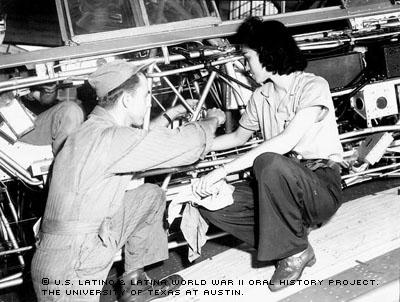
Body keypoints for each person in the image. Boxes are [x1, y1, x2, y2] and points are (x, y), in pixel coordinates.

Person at [30, 60, 225, 302]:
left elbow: (136, 142)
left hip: (73, 246)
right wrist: (212, 121)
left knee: (150, 196)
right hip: (70, 266)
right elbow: (189, 146)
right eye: (145, 96)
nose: (148, 102)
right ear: (125, 100)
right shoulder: (110, 139)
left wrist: (171, 114)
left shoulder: (90, 130)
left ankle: (136, 288)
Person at [194, 17, 343, 292]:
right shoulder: (259, 96)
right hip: (277, 184)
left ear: (267, 53)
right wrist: (193, 143)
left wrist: (222, 170)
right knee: (211, 204)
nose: (244, 65)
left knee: (269, 162)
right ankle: (296, 244)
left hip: (320, 185)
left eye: (247, 57)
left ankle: (292, 252)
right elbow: (238, 137)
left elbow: (285, 142)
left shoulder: (312, 86)